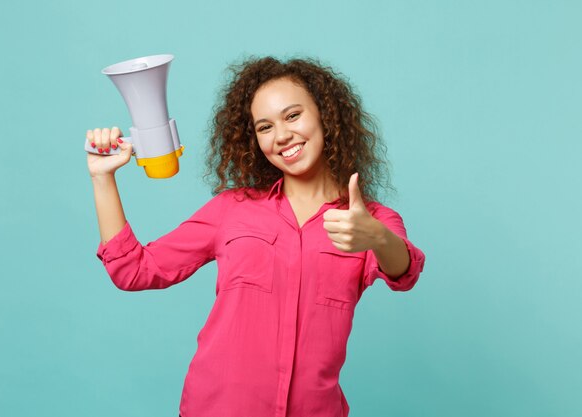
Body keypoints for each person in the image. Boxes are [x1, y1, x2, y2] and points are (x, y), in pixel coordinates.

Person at [86, 56, 425, 417]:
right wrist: (102, 178)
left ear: (326, 116)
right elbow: (133, 270)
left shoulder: (371, 220)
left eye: (293, 116)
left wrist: (376, 237)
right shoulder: (232, 210)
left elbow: (404, 271)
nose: (281, 136)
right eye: (265, 127)